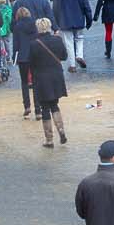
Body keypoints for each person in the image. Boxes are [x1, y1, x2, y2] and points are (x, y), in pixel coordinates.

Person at [11, 0, 54, 118]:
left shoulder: (18, 4)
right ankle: (38, 109)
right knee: (36, 81)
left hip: (22, 55)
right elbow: (50, 17)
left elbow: (14, 36)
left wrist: (14, 56)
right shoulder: (41, 6)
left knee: (24, 82)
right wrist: (56, 29)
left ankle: (27, 106)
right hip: (35, 52)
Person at [29, 17, 71, 148]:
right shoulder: (57, 40)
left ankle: (49, 139)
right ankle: (62, 131)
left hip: (41, 79)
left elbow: (31, 63)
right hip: (56, 77)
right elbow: (64, 57)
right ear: (49, 27)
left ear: (38, 28)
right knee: (55, 105)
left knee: (45, 108)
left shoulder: (34, 44)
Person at [53, 0, 93, 68]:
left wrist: (56, 23)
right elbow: (86, 7)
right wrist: (89, 21)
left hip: (65, 21)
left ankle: (72, 65)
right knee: (79, 39)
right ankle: (79, 55)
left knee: (69, 43)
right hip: (79, 19)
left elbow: (55, 8)